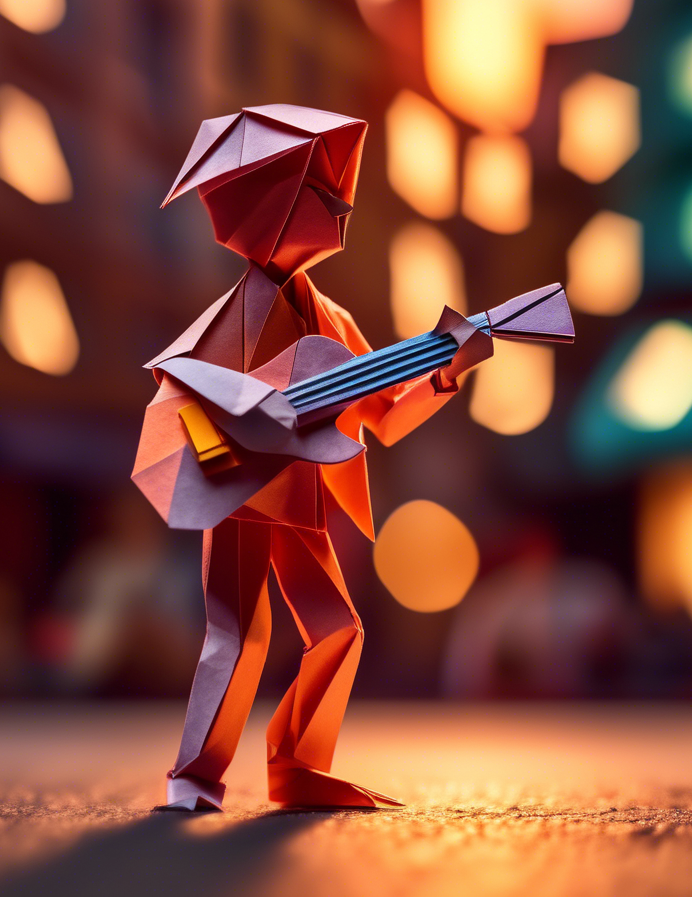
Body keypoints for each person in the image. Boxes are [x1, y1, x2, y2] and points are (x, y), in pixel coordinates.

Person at [135, 105, 491, 810]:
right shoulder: (237, 314)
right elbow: (182, 392)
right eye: (323, 198)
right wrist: (227, 457)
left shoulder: (337, 322)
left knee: (338, 630)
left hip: (300, 503)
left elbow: (384, 419)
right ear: (268, 206)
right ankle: (193, 777)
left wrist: (449, 372)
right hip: (239, 494)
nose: (343, 210)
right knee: (238, 635)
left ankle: (297, 765)